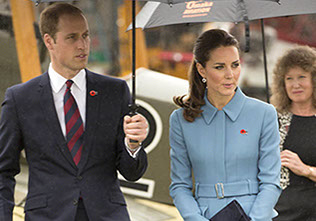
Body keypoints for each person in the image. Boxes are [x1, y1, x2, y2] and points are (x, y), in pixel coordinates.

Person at [0, 3, 148, 221]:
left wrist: (133, 145)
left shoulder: (115, 91)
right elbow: (3, 171)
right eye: (72, 37)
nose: (83, 45)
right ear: (49, 41)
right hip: (47, 216)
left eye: (86, 35)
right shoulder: (20, 99)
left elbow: (132, 173)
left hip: (107, 215)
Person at [169, 29, 282, 221]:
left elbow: (271, 182)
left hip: (254, 216)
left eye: (235, 65)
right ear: (201, 70)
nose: (230, 74)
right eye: (220, 67)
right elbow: (179, 186)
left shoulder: (264, 113)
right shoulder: (180, 119)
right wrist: (196, 218)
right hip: (206, 216)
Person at [271, 46, 316, 221]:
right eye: (289, 78)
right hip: (277, 213)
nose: (295, 84)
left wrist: (306, 170)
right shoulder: (272, 119)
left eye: (302, 77)